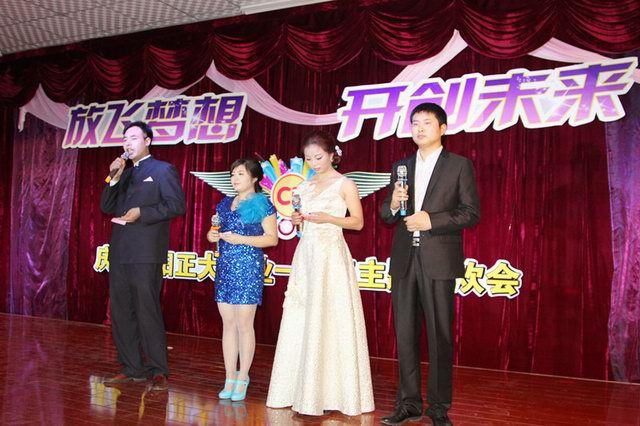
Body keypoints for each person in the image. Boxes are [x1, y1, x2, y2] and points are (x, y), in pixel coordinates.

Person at [380, 103, 480, 425]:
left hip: (438, 261)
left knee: (440, 336)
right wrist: (393, 204)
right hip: (405, 260)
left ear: (443, 129)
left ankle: (438, 408)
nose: (420, 128)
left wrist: (431, 221)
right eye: (415, 123)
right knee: (405, 335)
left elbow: (470, 213)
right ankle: (408, 404)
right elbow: (386, 215)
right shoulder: (401, 166)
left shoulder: (459, 165)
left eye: (426, 122)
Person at [267, 130, 375, 416]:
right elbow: (301, 222)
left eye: (318, 157)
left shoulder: (345, 184)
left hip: (331, 255)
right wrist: (297, 219)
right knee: (302, 316)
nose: (314, 163)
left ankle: (333, 394)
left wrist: (329, 218)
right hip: (307, 255)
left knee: (331, 317)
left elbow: (358, 222)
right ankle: (298, 390)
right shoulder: (305, 186)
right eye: (308, 159)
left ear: (331, 155)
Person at [100, 121, 186, 391]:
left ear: (147, 141)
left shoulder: (162, 170)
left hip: (146, 252)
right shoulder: (123, 173)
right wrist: (114, 177)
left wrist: (142, 212)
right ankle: (132, 368)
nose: (128, 143)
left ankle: (159, 369)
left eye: (134, 138)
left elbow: (176, 205)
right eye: (125, 139)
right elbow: (106, 206)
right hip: (120, 252)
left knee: (147, 310)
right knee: (121, 311)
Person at [206, 157, 278, 401]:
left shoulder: (262, 204)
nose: (235, 179)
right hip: (225, 266)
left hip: (248, 267)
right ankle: (229, 376)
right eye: (233, 174)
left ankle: (243, 376)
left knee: (244, 324)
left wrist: (241, 239)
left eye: (240, 174)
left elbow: (272, 238)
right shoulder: (225, 203)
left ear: (254, 178)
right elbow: (213, 232)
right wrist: (212, 235)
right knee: (228, 323)